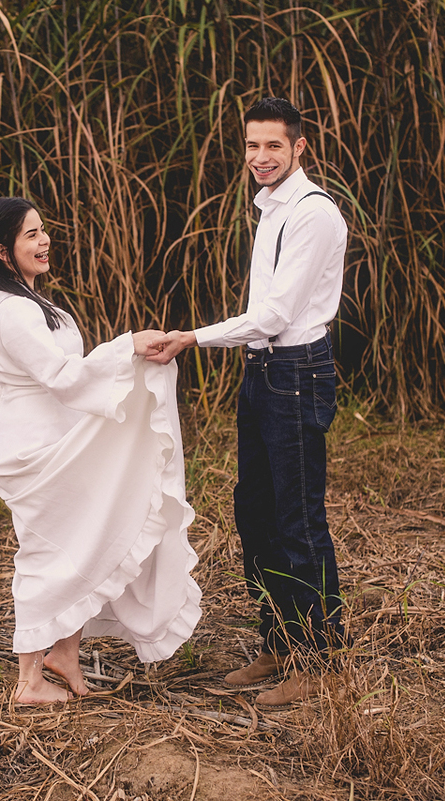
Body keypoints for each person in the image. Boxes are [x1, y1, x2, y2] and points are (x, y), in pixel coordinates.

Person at [147, 97, 347, 706]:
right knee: (254, 513)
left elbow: (278, 314)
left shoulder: (313, 214)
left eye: (273, 147)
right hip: (261, 373)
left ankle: (319, 661)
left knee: (298, 518)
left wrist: (192, 337)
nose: (260, 158)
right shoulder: (271, 208)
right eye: (252, 146)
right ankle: (281, 644)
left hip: (295, 373)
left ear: (299, 148)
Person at [0, 196, 202, 705]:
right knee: (47, 554)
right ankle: (29, 681)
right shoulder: (10, 313)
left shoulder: (33, 303)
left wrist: (132, 358)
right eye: (30, 234)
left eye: (43, 229)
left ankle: (65, 654)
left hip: (61, 437)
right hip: (35, 450)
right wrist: (128, 347)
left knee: (83, 541)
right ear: (4, 252)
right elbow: (62, 377)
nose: (44, 240)